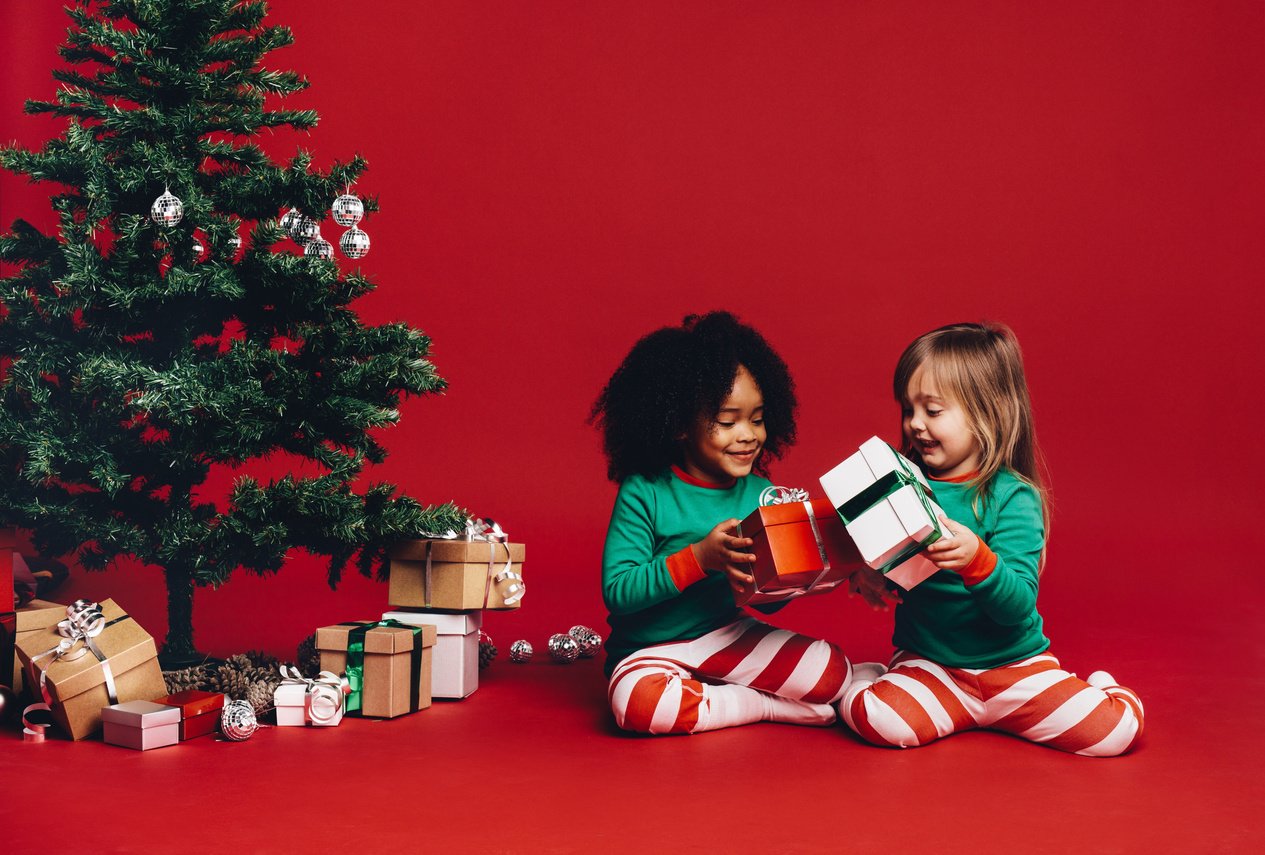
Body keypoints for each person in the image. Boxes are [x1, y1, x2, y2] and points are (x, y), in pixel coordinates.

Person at [839, 322, 1144, 756]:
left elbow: (1016, 606)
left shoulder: (1012, 496)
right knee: (877, 720)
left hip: (1014, 665)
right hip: (933, 665)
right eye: (909, 410)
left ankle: (1101, 687)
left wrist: (975, 560)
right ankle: (877, 678)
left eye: (933, 410)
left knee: (1115, 733)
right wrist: (870, 574)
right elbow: (902, 567)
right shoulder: (902, 484)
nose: (915, 425)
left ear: (989, 411)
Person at [591, 311, 854, 734]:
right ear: (678, 424)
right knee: (641, 707)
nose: (748, 435)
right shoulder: (646, 490)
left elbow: (765, 599)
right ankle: (762, 706)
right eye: (728, 422)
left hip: (727, 635)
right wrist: (701, 557)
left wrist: (798, 575)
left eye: (757, 418)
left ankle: (716, 698)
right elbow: (619, 592)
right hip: (651, 650)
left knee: (833, 674)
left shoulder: (760, 494)